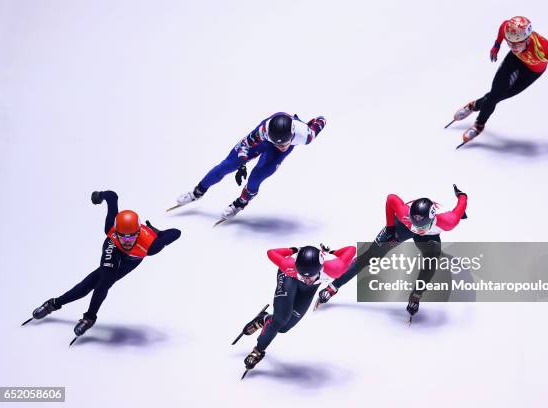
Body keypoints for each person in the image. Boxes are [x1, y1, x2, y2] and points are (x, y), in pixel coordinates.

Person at [28, 190, 181, 338]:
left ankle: (83, 315)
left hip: (131, 260)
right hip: (113, 248)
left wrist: (158, 234)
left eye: (131, 237)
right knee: (95, 283)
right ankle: (57, 305)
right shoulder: (110, 228)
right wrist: (99, 196)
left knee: (101, 283)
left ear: (138, 233)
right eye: (123, 236)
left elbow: (176, 232)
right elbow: (112, 196)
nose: (127, 242)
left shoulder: (151, 246)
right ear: (116, 231)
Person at [315, 185, 468, 321]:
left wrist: (461, 195)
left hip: (431, 235)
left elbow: (462, 201)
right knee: (371, 256)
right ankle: (334, 286)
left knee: (431, 261)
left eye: (422, 226)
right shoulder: (404, 215)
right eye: (415, 224)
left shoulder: (449, 221)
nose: (418, 230)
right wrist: (390, 228)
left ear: (433, 219)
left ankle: (416, 295)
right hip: (402, 227)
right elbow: (391, 199)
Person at [174, 112, 326, 221]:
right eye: (277, 144)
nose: (281, 147)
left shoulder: (305, 135)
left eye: (285, 144)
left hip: (286, 133)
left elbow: (321, 119)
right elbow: (244, 147)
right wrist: (242, 164)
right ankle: (197, 192)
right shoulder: (261, 133)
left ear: (293, 135)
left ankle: (240, 203)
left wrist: (307, 124)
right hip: (263, 141)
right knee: (227, 166)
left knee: (256, 179)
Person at [236, 244, 356, 374]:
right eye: (303, 275)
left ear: (321, 268)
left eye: (310, 276)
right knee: (281, 319)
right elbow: (271, 252)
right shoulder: (289, 265)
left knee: (284, 328)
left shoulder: (335, 268)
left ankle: (263, 319)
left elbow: (352, 249)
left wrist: (333, 254)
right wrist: (293, 250)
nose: (306, 279)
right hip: (289, 277)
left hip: (308, 289)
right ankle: (257, 351)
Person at [451, 16, 548, 144]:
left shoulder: (541, 50)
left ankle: (474, 105)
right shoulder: (511, 31)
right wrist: (497, 45)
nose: (513, 46)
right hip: (514, 61)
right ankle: (479, 125)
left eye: (517, 43)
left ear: (527, 39)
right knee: (495, 94)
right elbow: (503, 26)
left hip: (532, 72)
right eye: (510, 42)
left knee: (498, 96)